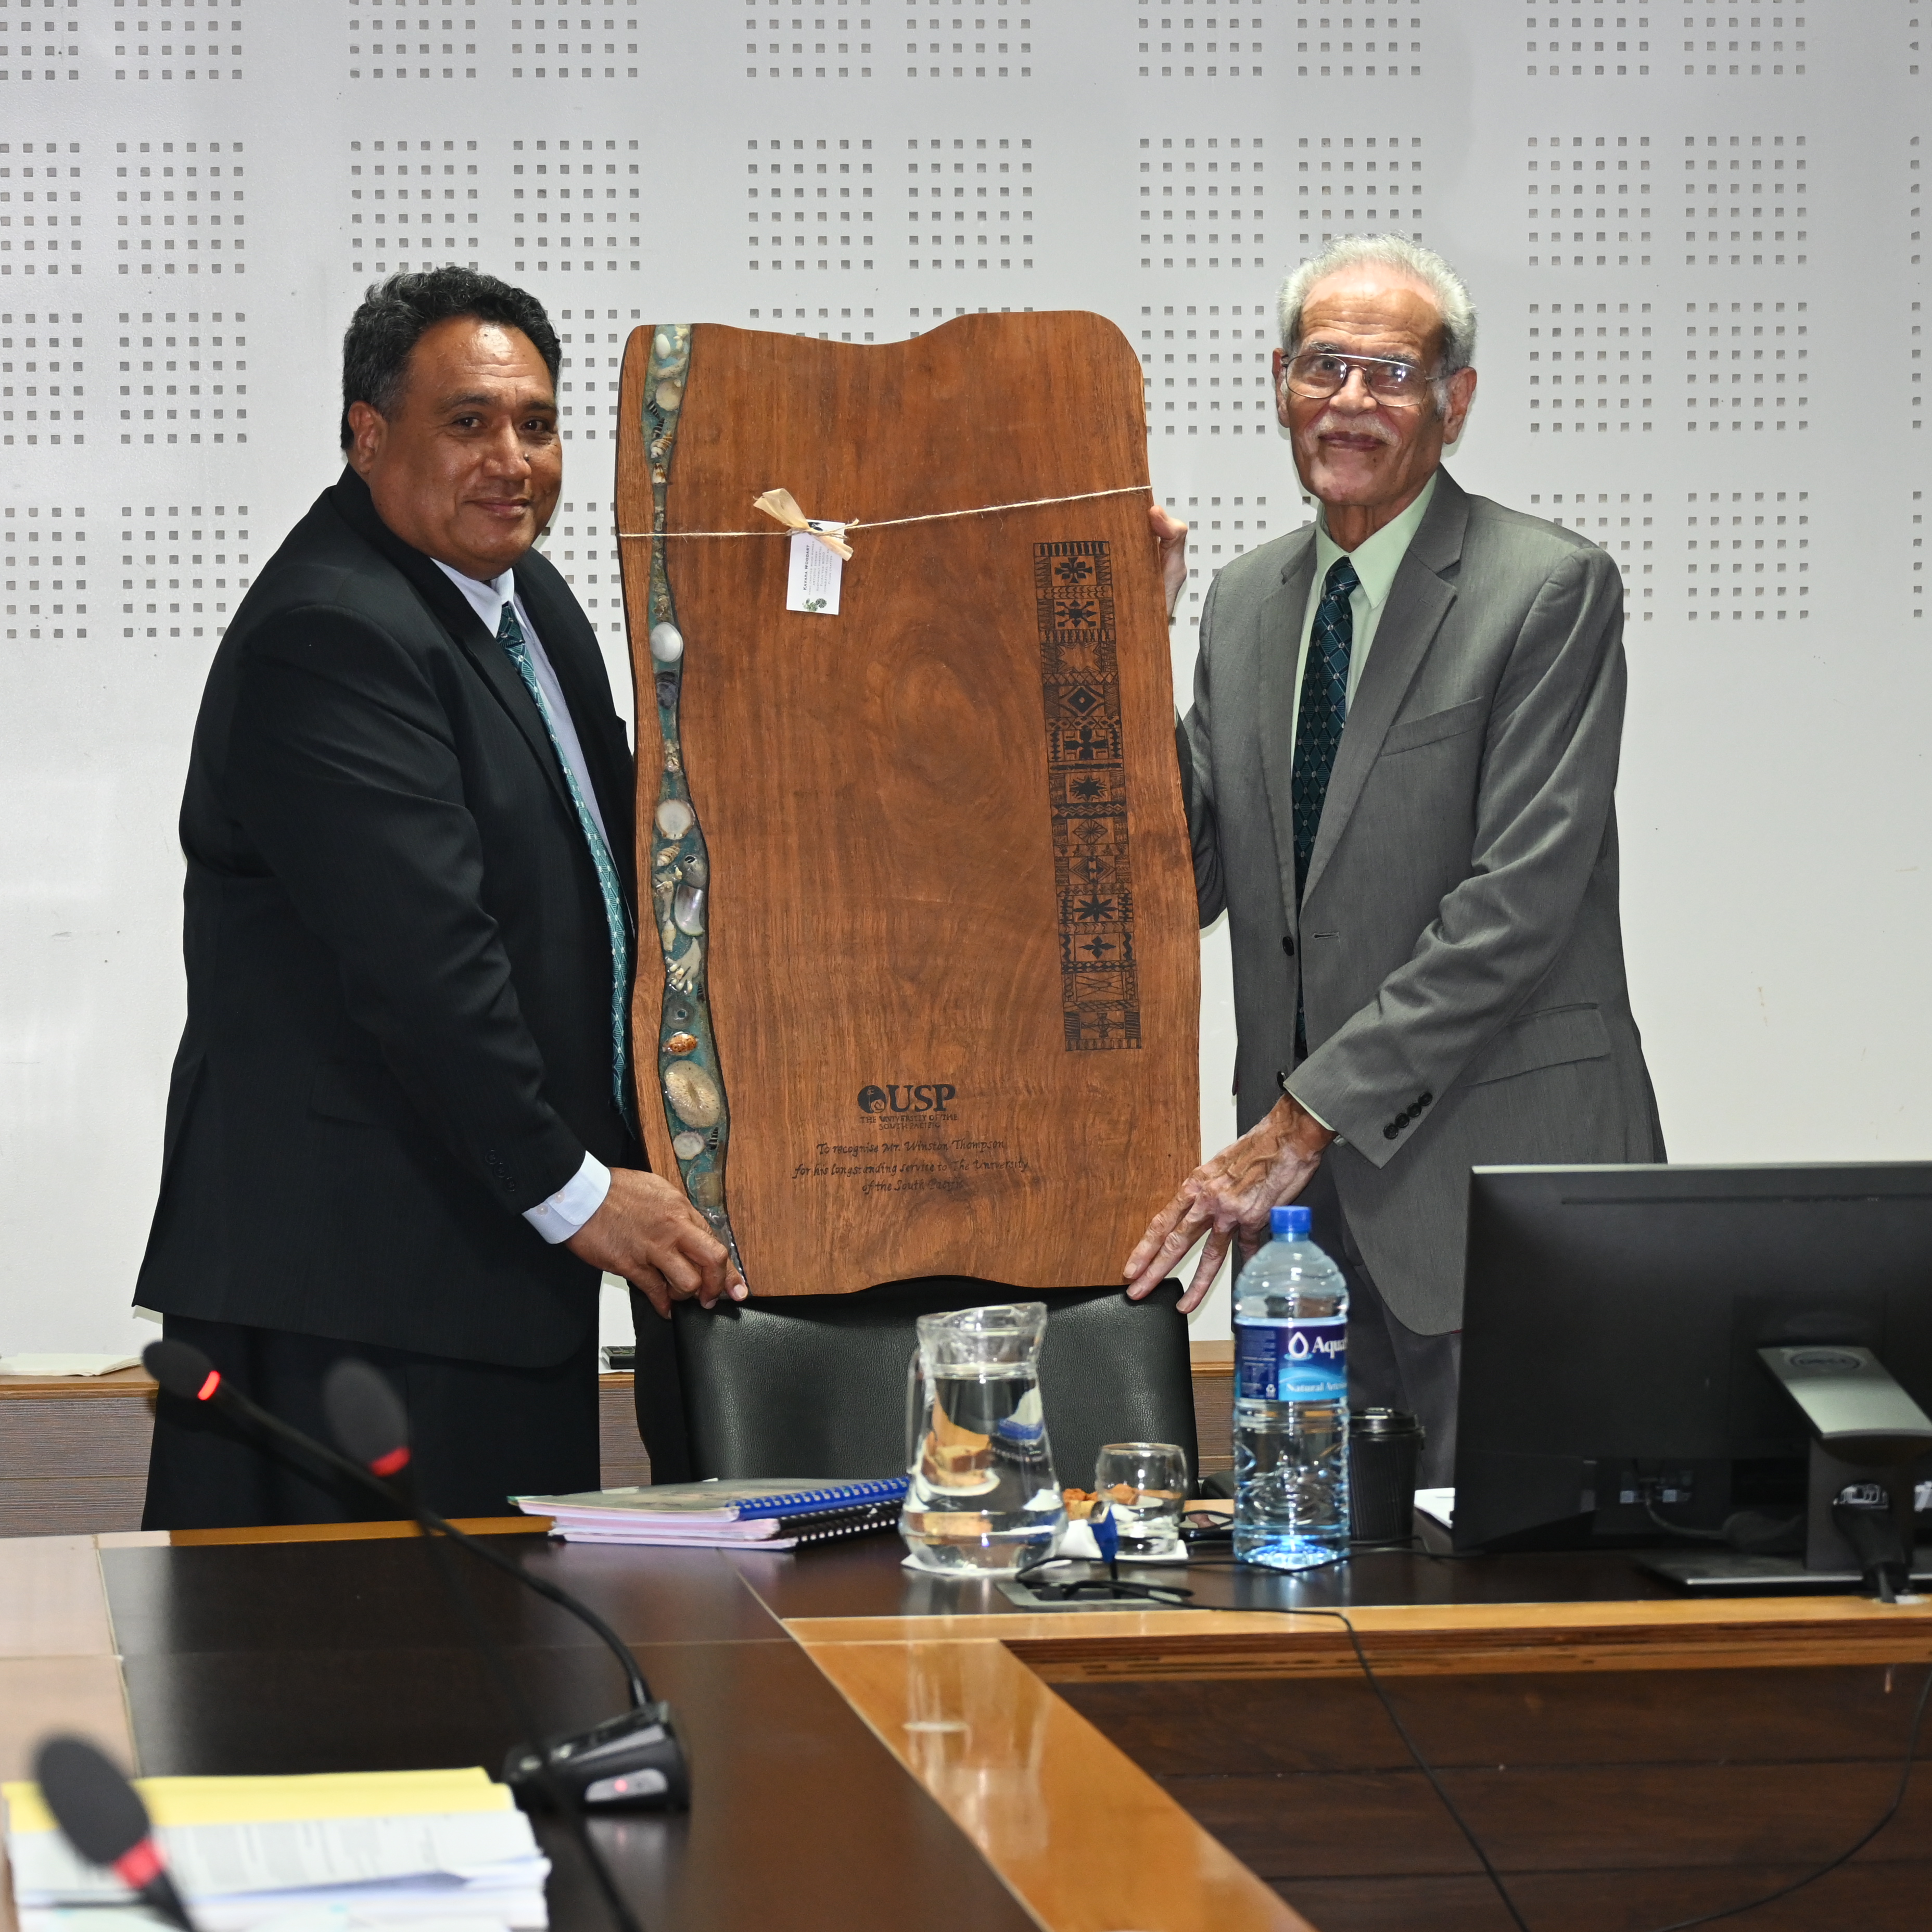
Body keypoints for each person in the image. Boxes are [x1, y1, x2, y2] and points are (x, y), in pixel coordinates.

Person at [136, 268, 744, 1528]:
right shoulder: (335, 631)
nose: (510, 458)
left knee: (498, 1684)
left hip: (481, 1266)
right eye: (467, 422)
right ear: (368, 435)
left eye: (535, 421)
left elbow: (624, 876)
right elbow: (431, 967)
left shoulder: (533, 606)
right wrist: (579, 1189)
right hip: (352, 1293)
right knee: (359, 1697)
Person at [1126, 235, 1663, 1482]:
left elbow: (1510, 910)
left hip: (1497, 1205)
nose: (1351, 402)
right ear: (1279, 384)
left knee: (1531, 1617)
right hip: (1304, 1234)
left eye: (1390, 372)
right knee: (1320, 1601)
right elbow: (1187, 881)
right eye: (1325, 366)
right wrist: (1132, 637)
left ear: (1451, 401)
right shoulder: (1244, 602)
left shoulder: (1548, 589)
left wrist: (1301, 1119)